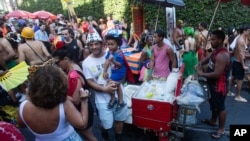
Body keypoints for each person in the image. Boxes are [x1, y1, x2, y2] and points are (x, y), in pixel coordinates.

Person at [17, 64, 89, 141]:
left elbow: (22, 125)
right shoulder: (63, 104)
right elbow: (82, 124)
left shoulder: (23, 106)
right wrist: (84, 101)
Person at [82, 27, 128, 141]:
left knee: (119, 119)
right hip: (102, 100)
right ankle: (104, 132)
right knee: (107, 125)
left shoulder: (112, 52)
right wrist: (104, 90)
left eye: (96, 44)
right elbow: (89, 81)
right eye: (91, 44)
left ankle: (119, 137)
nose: (94, 47)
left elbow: (123, 68)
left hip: (118, 94)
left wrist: (120, 82)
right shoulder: (86, 63)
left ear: (102, 44)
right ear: (88, 46)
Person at [52, 42, 97, 141]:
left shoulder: (74, 75)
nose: (57, 65)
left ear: (66, 59)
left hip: (82, 109)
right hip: (80, 108)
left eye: (57, 62)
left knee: (88, 136)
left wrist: (57, 93)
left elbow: (76, 100)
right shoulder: (71, 69)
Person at [196, 30, 230, 139]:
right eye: (210, 39)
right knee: (213, 103)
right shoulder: (216, 51)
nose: (211, 42)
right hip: (212, 84)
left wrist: (202, 74)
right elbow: (209, 59)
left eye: (213, 39)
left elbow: (217, 74)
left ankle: (221, 129)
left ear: (220, 40)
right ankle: (213, 120)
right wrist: (200, 63)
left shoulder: (223, 55)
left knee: (220, 107)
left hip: (219, 86)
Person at [103, 29, 127, 111]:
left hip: (119, 72)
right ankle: (120, 102)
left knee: (110, 84)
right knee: (117, 86)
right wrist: (104, 71)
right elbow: (107, 61)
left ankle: (114, 100)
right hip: (114, 71)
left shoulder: (119, 53)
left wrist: (113, 60)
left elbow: (120, 65)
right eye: (108, 44)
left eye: (112, 44)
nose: (110, 46)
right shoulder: (110, 52)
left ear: (118, 44)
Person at [228, 25, 250, 102]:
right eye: (248, 30)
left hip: (236, 61)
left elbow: (239, 50)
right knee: (240, 79)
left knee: (233, 76)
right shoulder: (241, 40)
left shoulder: (242, 38)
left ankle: (229, 91)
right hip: (239, 62)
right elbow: (241, 54)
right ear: (244, 30)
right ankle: (238, 96)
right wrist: (243, 65)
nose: (249, 32)